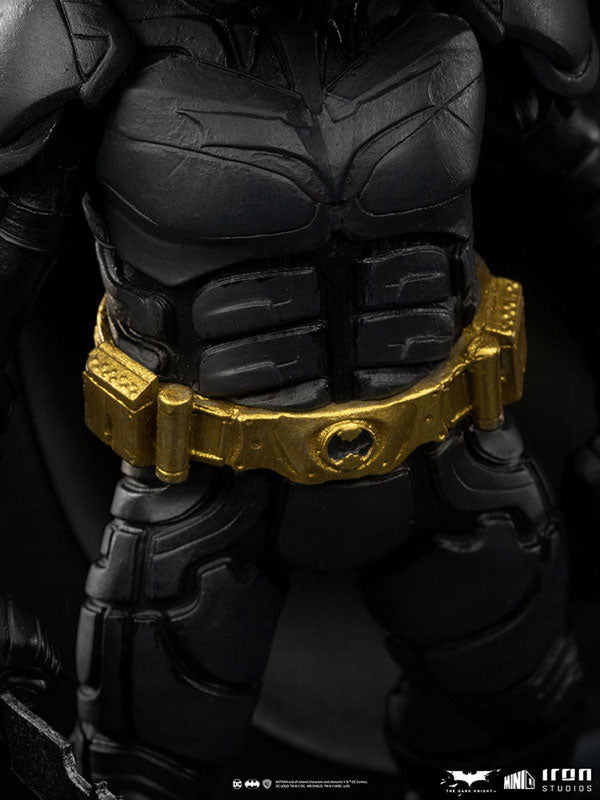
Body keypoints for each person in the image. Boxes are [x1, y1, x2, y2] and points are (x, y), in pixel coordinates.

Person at [0, 1, 597, 796]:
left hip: (455, 467)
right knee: (145, 780)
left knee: (518, 752)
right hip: (203, 499)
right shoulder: (74, 34)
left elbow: (585, 198)